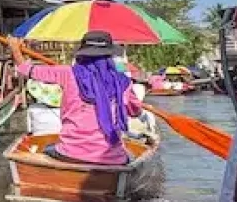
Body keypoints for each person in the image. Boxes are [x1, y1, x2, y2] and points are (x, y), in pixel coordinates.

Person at [10, 31, 143, 165]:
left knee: (48, 148)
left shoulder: (67, 73)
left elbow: (26, 69)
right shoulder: (122, 82)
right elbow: (136, 111)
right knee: (130, 156)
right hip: (112, 159)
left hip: (70, 153)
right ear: (110, 55)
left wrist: (15, 49)